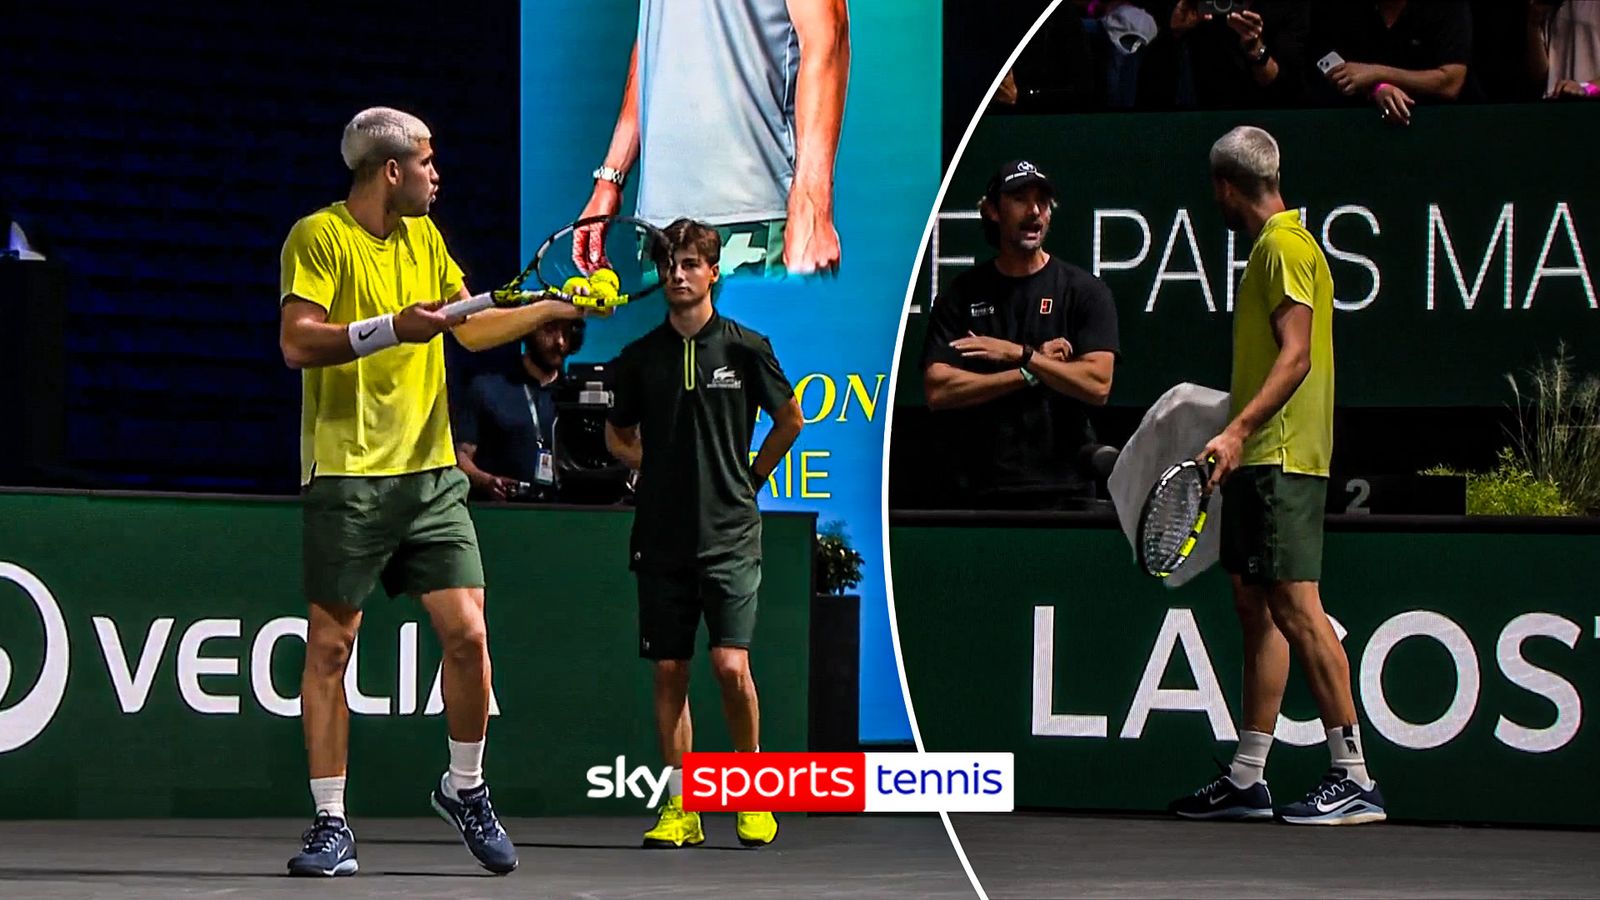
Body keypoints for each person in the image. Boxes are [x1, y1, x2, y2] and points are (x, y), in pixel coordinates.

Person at [277, 106, 523, 876]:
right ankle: (330, 824)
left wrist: (558, 306)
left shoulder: (426, 237)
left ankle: (466, 786)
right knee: (331, 647)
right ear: (392, 171)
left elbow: (467, 327)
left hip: (430, 474)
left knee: (471, 635)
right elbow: (296, 342)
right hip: (347, 474)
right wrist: (388, 329)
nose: (435, 173)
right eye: (426, 161)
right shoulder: (317, 236)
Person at [1169, 125, 1385, 826]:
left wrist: (1237, 430)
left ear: (1226, 188)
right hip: (1265, 457)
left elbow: (1296, 356)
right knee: (1255, 607)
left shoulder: (1283, 247)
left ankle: (1353, 776)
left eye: (1216, 193)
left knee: (1295, 607)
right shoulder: (1280, 246)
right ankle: (1247, 776)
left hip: (1281, 456)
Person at [603, 219, 805, 848]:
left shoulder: (746, 347)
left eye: (691, 264)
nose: (678, 275)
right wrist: (651, 467)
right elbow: (618, 433)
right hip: (660, 538)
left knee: (728, 664)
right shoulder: (638, 359)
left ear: (714, 271)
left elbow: (789, 419)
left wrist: (749, 478)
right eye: (670, 265)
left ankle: (750, 789)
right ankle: (680, 807)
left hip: (730, 533)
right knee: (669, 669)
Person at [576, 0, 850, 278]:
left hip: (751, 217)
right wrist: (610, 179)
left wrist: (814, 206)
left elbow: (828, 33)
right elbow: (657, 39)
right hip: (658, 225)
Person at [920, 159, 1120, 510]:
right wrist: (1030, 370)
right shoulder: (962, 294)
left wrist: (1022, 354)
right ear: (992, 210)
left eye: (1042, 202)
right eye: (1019, 199)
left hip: (1066, 492)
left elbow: (1097, 384)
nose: (1034, 212)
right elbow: (939, 389)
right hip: (981, 493)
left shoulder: (1084, 291)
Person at [454, 318, 586, 502]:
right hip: (503, 511)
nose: (560, 342)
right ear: (528, 329)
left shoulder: (579, 396)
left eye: (567, 332)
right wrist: (486, 481)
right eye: (550, 330)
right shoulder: (487, 387)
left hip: (569, 512)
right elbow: (461, 455)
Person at [1312, 0, 1476, 126]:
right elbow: (1326, 61)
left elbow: (1451, 82)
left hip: (1446, 123)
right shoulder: (1340, 9)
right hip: (1360, 126)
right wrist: (1376, 88)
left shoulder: (1446, 6)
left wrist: (1377, 73)